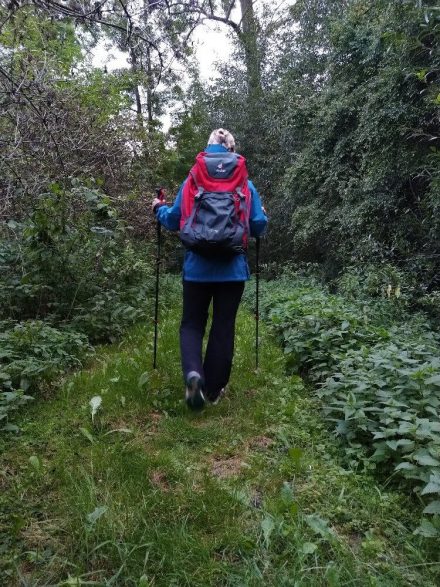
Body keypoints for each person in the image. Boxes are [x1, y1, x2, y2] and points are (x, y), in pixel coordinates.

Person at [152, 128, 267, 411]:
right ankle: (213, 391)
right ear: (231, 150)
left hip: (197, 268)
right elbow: (257, 226)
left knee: (192, 323)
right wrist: (263, 216)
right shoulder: (244, 182)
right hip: (232, 269)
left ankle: (194, 374)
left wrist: (158, 208)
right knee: (223, 327)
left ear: (207, 148)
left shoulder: (192, 179)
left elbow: (174, 219)